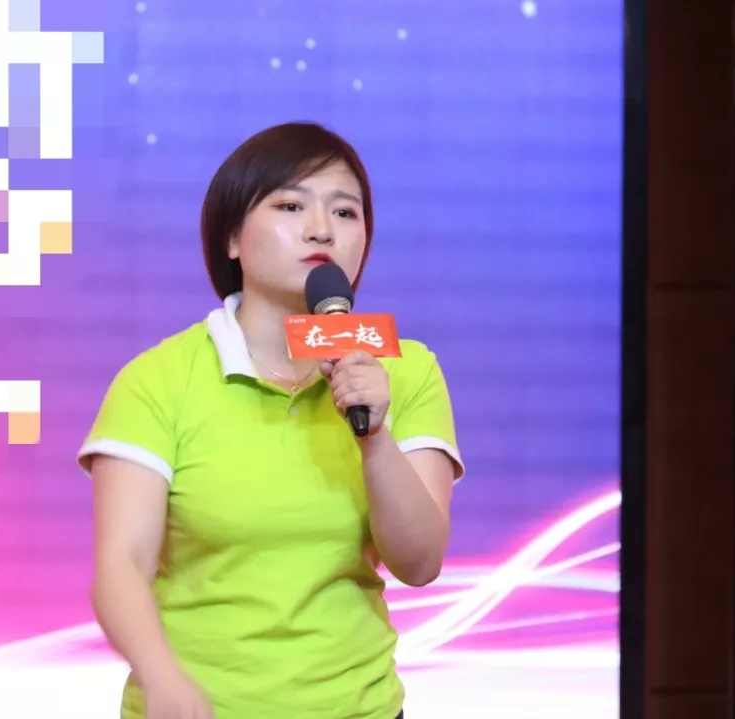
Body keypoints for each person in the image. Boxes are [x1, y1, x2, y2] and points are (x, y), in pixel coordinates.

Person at [78, 121, 464, 719]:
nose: (321, 229)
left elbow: (419, 563)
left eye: (345, 212)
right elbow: (121, 564)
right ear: (232, 237)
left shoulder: (405, 370)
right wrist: (161, 677)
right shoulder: (158, 379)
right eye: (290, 206)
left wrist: (373, 437)